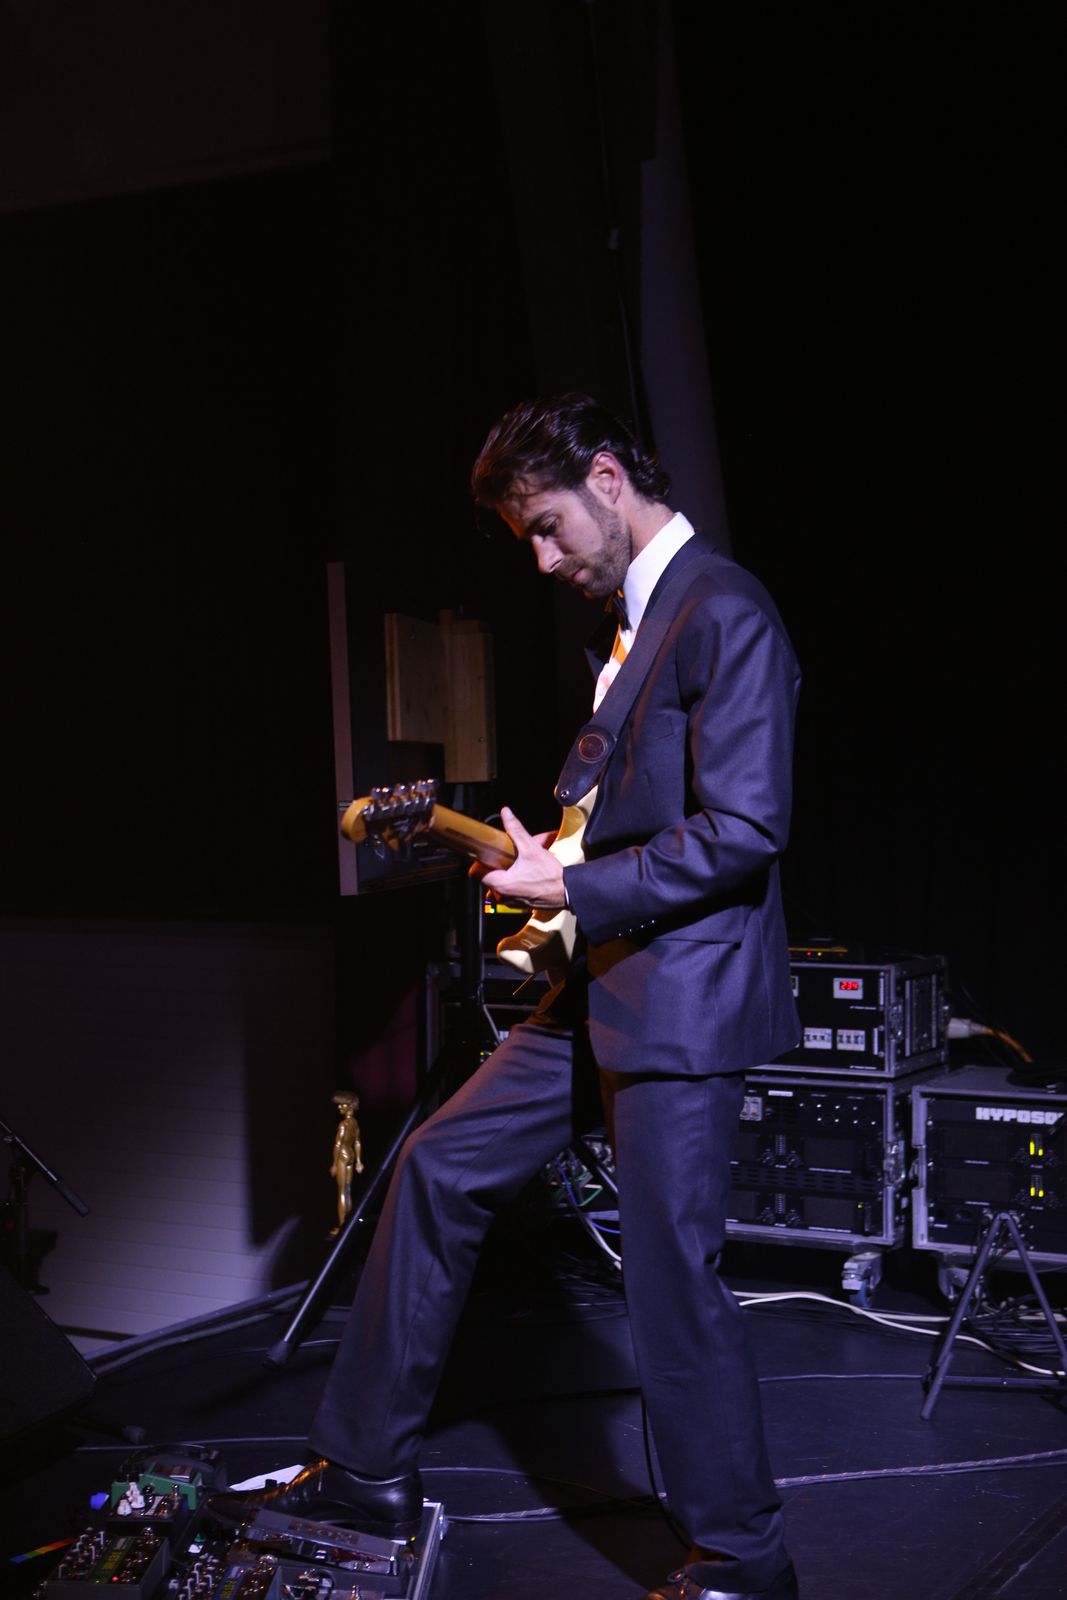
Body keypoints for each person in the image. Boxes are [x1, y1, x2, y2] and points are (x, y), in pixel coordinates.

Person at [219, 394, 802, 1600]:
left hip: (682, 1000)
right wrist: (556, 856)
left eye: (545, 526)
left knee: (669, 1274)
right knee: (437, 1166)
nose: (540, 559)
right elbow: (634, 822)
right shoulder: (636, 625)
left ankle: (745, 1560)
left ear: (605, 479)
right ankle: (365, 1469)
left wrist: (575, 885)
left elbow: (744, 829)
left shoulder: (721, 609)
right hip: (606, 981)